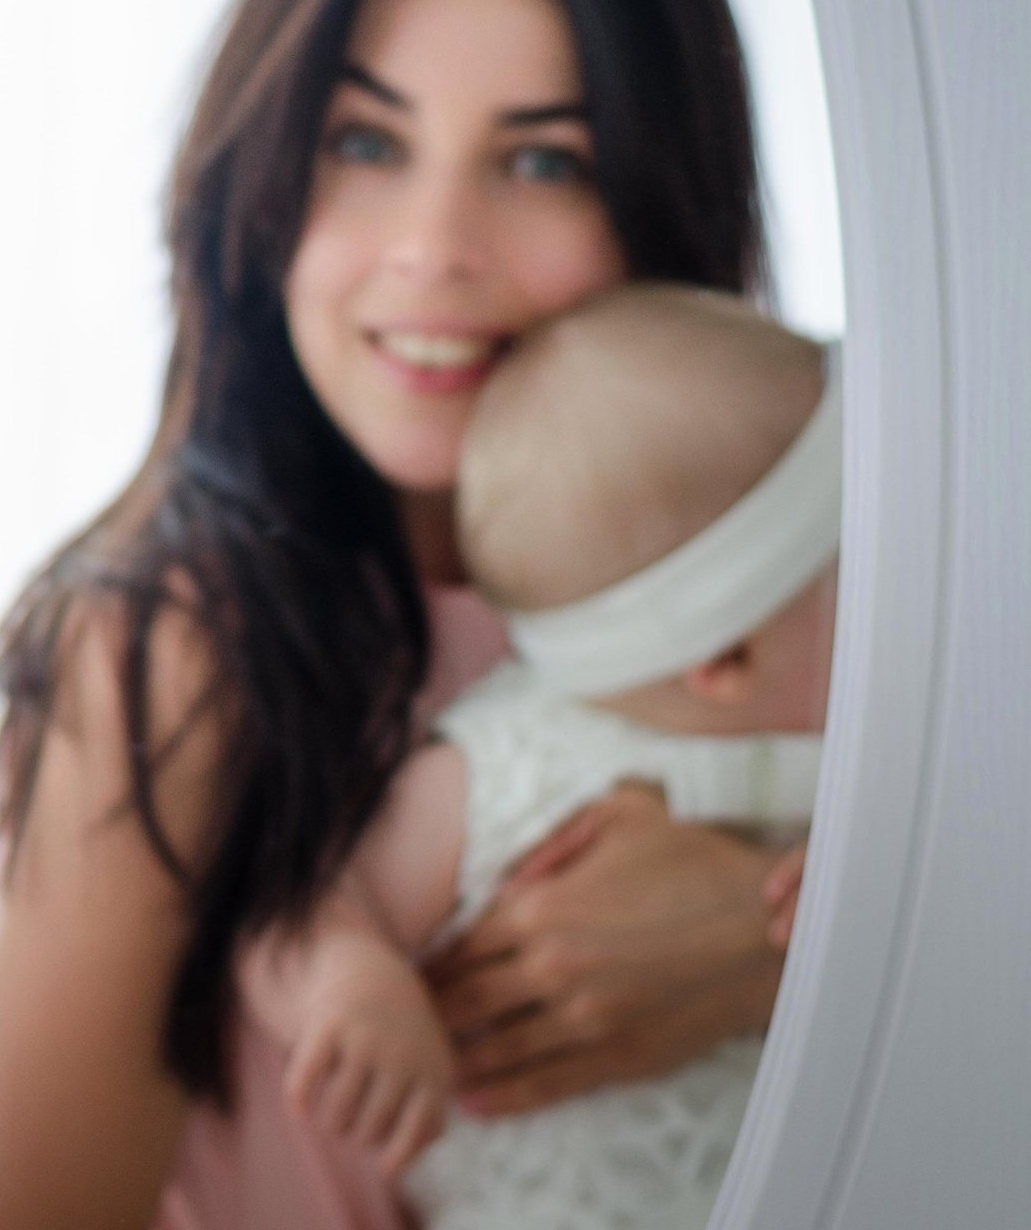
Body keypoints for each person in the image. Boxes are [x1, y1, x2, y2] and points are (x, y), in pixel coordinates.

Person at [0, 0, 803, 1230]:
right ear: (259, 192)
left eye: (543, 161)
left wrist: (774, 943)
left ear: (662, 208)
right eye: (368, 143)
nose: (436, 247)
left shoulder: (807, 596)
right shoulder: (176, 656)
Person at [240, 284, 834, 1229]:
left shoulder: (875, 765)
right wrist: (353, 980)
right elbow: (298, 903)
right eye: (855, 578)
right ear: (725, 659)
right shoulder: (506, 770)